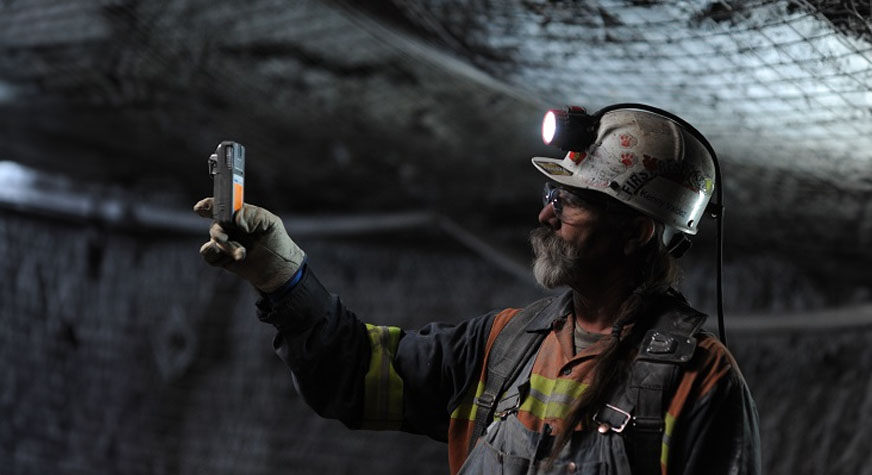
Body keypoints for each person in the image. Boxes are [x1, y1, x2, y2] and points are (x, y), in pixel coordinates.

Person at [194, 106, 761, 474]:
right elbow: (355, 377)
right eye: (550, 193)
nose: (545, 213)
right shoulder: (508, 344)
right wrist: (283, 277)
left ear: (636, 233)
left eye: (569, 202)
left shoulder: (699, 381)